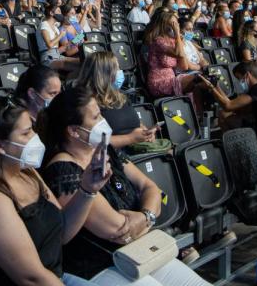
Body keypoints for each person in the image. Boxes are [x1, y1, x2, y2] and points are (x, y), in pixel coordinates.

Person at [40, 88, 211, 285]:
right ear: (74, 131)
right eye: (96, 117)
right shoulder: (64, 170)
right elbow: (117, 231)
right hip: (101, 265)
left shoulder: (105, 149)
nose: (102, 121)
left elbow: (150, 187)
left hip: (139, 251)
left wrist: (145, 216)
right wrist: (146, 218)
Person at [0, 96, 109, 286]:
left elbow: (60, 233)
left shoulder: (26, 172)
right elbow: (31, 279)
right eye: (26, 133)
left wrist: (87, 189)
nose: (35, 138)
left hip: (53, 278)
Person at [71, 52, 160, 152]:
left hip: (140, 149)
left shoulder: (120, 96)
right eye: (117, 69)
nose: (120, 72)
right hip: (115, 157)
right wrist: (131, 138)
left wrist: (146, 132)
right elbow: (93, 142)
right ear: (103, 74)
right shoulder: (89, 104)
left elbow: (136, 123)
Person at [209, 62, 257, 145]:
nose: (240, 82)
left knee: (224, 116)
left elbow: (228, 106)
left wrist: (211, 88)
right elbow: (232, 105)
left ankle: (235, 146)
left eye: (239, 78)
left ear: (247, 75)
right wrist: (216, 86)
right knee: (226, 114)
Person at [38, 5, 82, 74]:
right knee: (75, 67)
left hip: (57, 55)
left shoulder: (55, 28)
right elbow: (49, 45)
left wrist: (78, 39)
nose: (61, 14)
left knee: (81, 61)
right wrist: (60, 35)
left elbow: (62, 49)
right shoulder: (44, 25)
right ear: (51, 13)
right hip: (47, 58)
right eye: (58, 11)